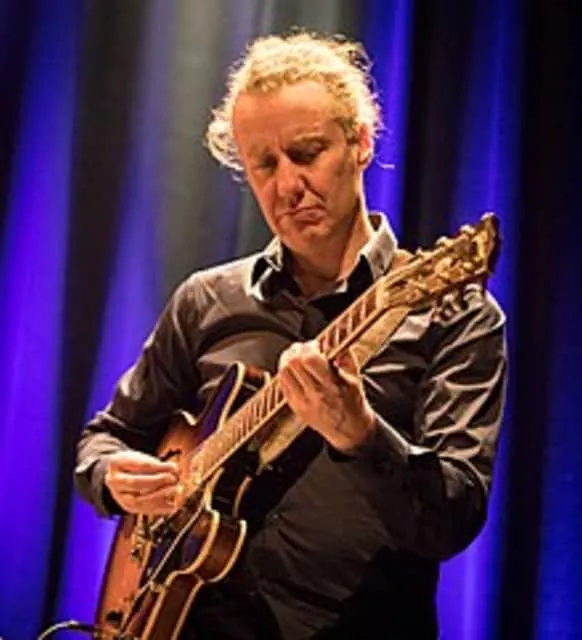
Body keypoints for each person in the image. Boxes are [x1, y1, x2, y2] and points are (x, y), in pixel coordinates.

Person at [75, 31, 507, 640]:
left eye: (307, 153)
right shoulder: (207, 300)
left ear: (361, 142)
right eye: (264, 165)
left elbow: (452, 519)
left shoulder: (455, 314)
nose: (287, 185)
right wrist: (112, 475)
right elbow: (106, 437)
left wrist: (360, 435)